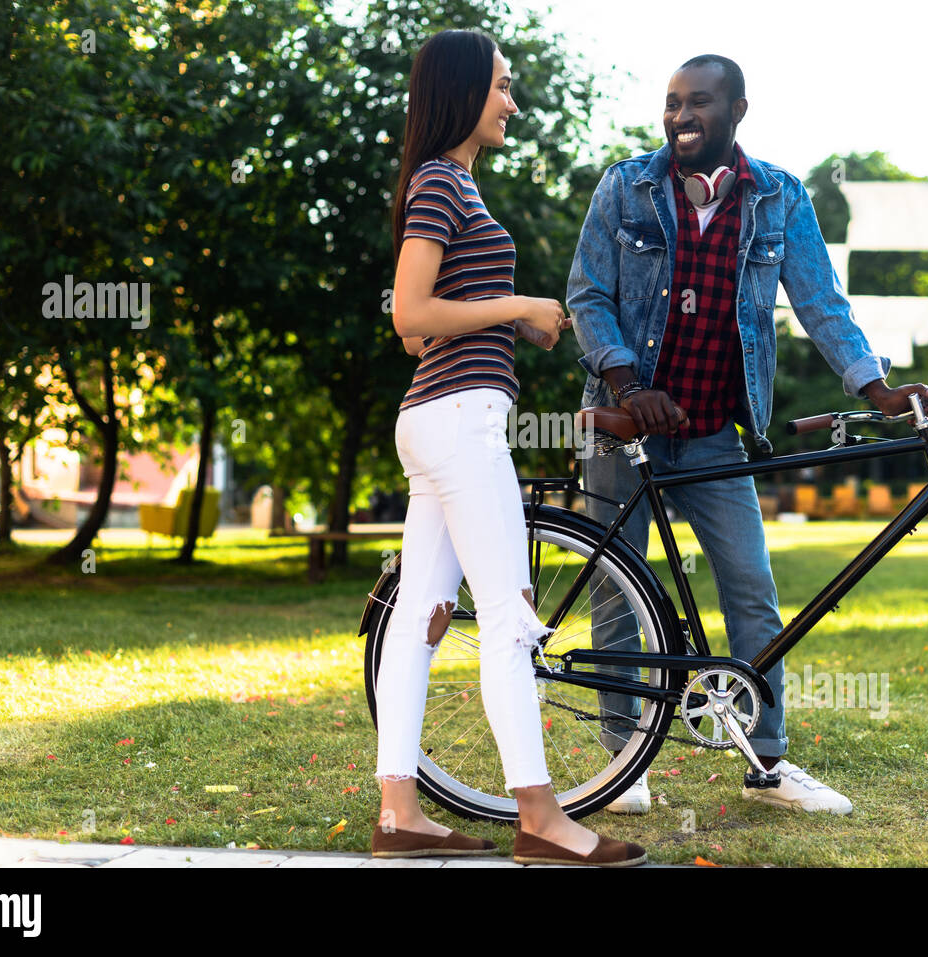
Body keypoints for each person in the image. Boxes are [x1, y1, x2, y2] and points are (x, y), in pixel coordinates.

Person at [567, 54, 928, 816]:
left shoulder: (779, 196)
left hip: (713, 429)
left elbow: (821, 305)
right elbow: (587, 295)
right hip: (619, 423)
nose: (680, 117)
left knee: (751, 588)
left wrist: (876, 387)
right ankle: (622, 765)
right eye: (672, 103)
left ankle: (767, 764)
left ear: (738, 110)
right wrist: (628, 386)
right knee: (618, 587)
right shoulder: (625, 185)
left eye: (698, 103)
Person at [372, 28, 646, 867]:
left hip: (438, 415)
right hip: (460, 424)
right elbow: (410, 316)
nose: (512, 102)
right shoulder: (439, 183)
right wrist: (519, 304)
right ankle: (541, 817)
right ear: (462, 91)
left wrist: (508, 322)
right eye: (501, 86)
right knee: (510, 617)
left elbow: (429, 334)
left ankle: (399, 816)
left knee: (420, 620)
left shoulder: (449, 186)